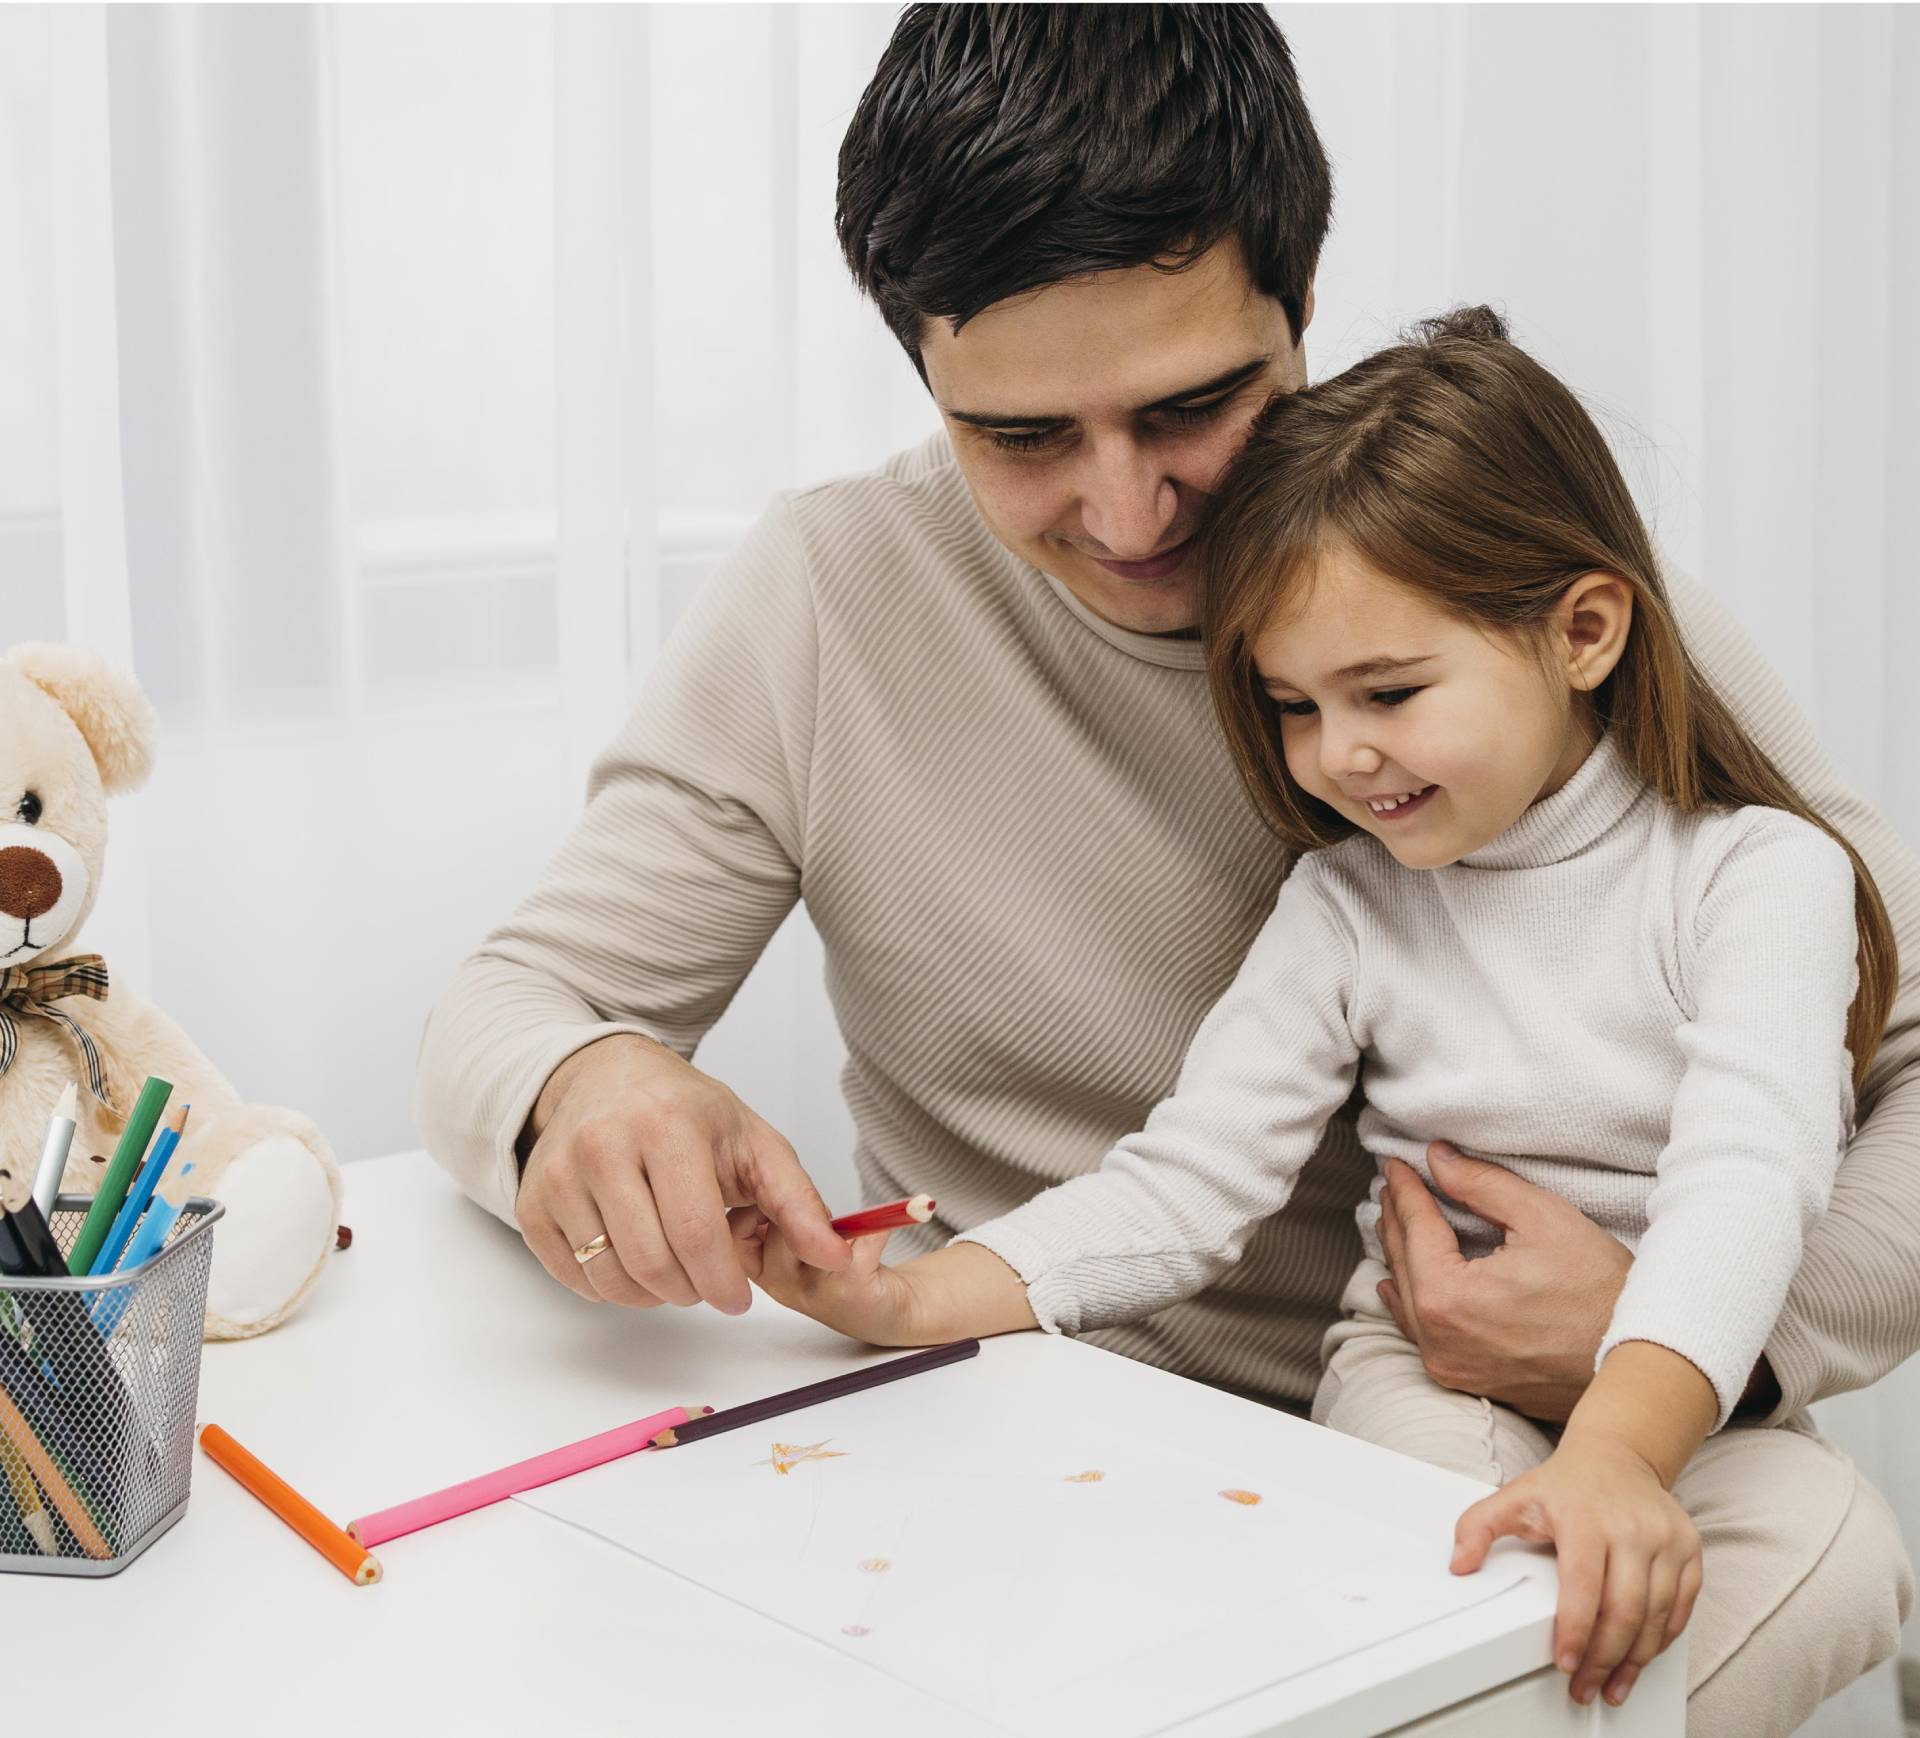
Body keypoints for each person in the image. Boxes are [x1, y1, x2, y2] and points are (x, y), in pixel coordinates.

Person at [415, 9, 1919, 1730]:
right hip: (1044, 1457)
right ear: (923, 377)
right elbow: (512, 1008)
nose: (1127, 514)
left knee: (1825, 1543)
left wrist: (1679, 1344)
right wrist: (590, 1078)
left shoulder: (1528, 604)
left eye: (1195, 406)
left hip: (1561, 1425)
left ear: (1299, 306)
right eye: (1023, 438)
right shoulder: (832, 597)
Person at [746, 304, 1898, 1714]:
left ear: (1586, 631)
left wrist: (1615, 1450)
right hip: (1428, 1382)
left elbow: (1746, 1184)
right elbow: (1183, 1185)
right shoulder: (1354, 905)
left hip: (1683, 1384)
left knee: (1842, 1553)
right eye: (1293, 705)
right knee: (1500, 1592)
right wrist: (916, 1295)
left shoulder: (1757, 875)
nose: (1338, 755)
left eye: (1390, 691)